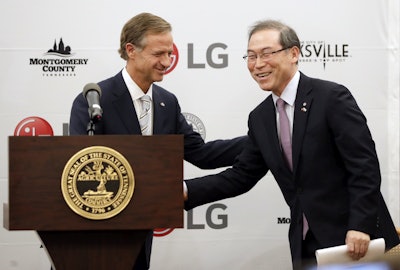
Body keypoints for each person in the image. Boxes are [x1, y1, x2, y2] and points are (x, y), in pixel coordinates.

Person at [183, 19, 400, 269]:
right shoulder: (260, 117)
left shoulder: (330, 97)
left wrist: (359, 226)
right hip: (305, 243)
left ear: (294, 53)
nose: (257, 64)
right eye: (251, 56)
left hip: (356, 240)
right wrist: (185, 190)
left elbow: (364, 167)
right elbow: (241, 175)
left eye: (266, 54)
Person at [69, 12, 246, 270]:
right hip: (97, 233)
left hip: (143, 227)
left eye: (169, 54)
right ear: (131, 50)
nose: (167, 62)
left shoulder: (167, 101)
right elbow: (79, 168)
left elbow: (201, 154)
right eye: (158, 54)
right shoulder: (96, 99)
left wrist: (260, 140)